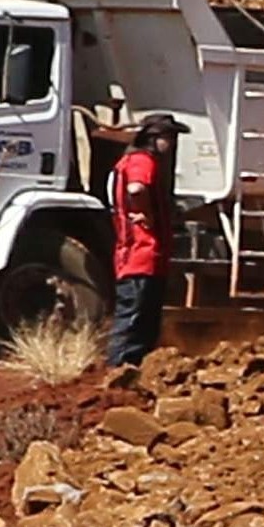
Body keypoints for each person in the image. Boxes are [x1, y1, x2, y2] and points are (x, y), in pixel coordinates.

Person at [105, 115, 180, 382]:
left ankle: (134, 373)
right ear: (154, 138)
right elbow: (137, 188)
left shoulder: (128, 161)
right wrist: (145, 213)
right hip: (141, 255)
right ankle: (117, 371)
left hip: (141, 257)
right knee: (134, 318)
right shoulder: (142, 161)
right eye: (168, 137)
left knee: (144, 320)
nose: (170, 143)